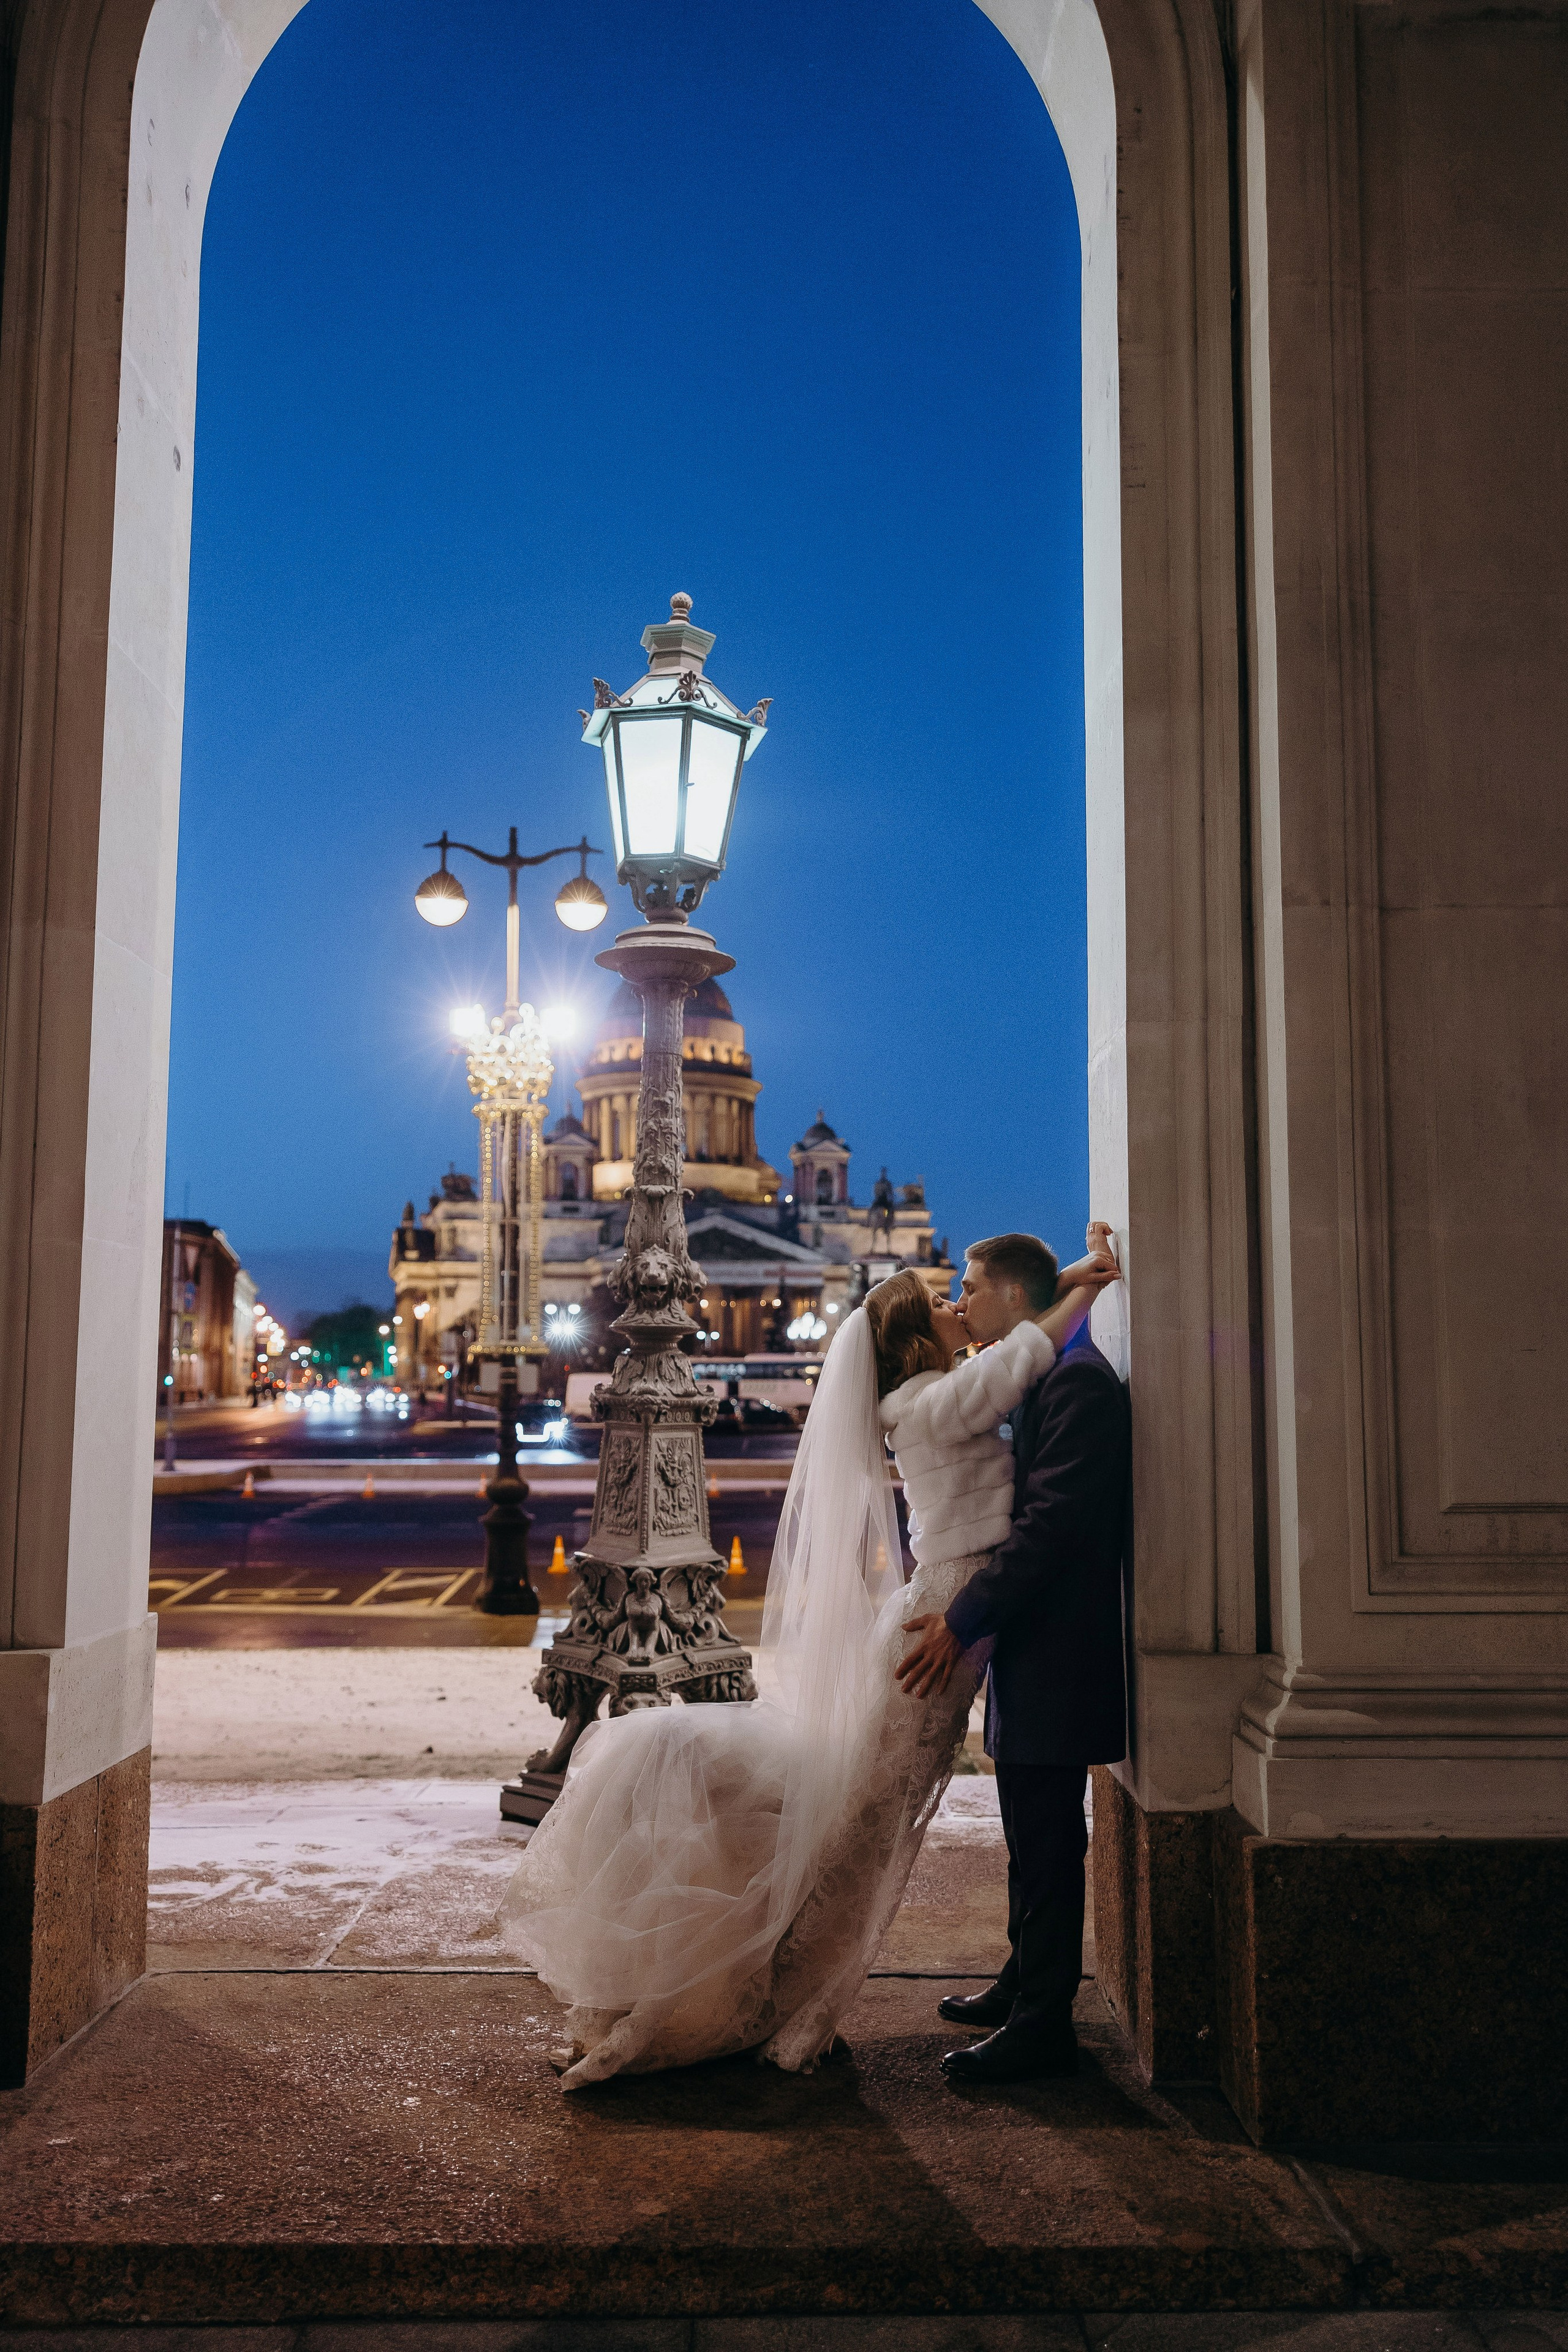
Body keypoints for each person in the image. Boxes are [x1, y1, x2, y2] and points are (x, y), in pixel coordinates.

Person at [496, 1245, 1118, 2089]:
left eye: (964, 1290)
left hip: (960, 1613)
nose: (957, 1305)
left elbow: (1011, 1367)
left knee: (876, 1811)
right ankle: (783, 1987)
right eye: (945, 1298)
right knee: (862, 1819)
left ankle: (985, 1989)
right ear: (910, 1339)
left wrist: (1068, 1283)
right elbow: (1012, 1365)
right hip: (946, 1616)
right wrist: (1079, 1286)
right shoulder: (930, 1402)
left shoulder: (937, 1393)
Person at [895, 1223, 1131, 2084]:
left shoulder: (1079, 1389)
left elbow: (1050, 1532)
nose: (961, 1297)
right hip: (1033, 1642)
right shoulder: (1048, 1374)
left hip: (1057, 1640)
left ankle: (1043, 2026)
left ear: (1011, 1298)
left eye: (970, 1283)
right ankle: (1022, 1979)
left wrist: (963, 1617)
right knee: (1029, 1834)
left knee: (1047, 1835)